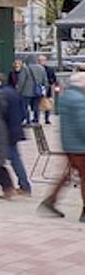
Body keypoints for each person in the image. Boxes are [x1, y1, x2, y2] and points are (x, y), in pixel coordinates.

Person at [38, 71, 85, 220]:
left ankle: (50, 201)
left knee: (67, 175)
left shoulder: (67, 96)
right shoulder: (79, 99)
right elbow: (82, 124)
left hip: (70, 143)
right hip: (80, 145)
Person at [0, 79, 33, 197]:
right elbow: (24, 112)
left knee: (11, 159)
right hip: (15, 129)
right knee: (7, 157)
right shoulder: (13, 92)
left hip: (7, 131)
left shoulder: (2, 94)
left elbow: (1, 114)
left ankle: (24, 186)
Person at [16, 56, 49, 125]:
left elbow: (22, 80)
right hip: (37, 91)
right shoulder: (41, 68)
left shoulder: (25, 68)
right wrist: (44, 90)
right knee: (36, 106)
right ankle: (36, 120)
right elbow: (45, 81)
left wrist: (18, 91)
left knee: (25, 106)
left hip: (26, 92)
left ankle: (27, 120)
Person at [40, 55, 59, 125]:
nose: (41, 62)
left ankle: (47, 118)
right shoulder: (36, 69)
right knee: (37, 104)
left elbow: (54, 79)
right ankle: (36, 118)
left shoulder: (49, 69)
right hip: (37, 89)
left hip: (47, 89)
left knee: (47, 104)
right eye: (39, 60)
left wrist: (50, 82)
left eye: (42, 60)